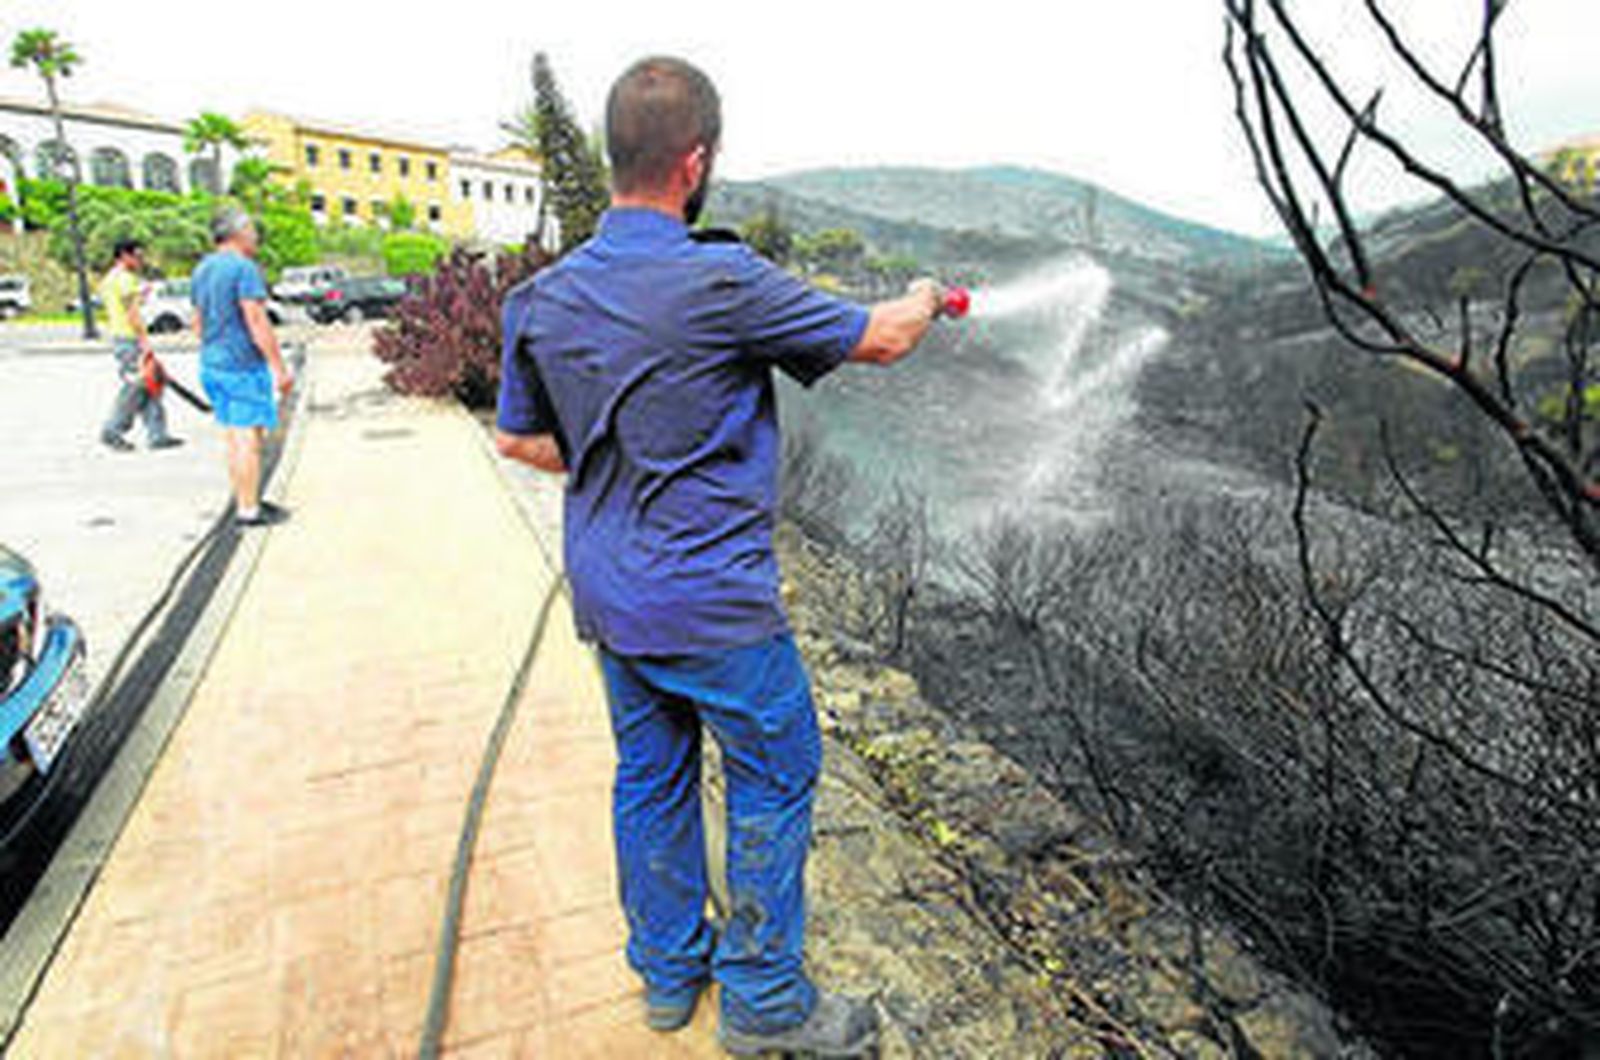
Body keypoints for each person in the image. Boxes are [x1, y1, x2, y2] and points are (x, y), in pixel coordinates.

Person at [496, 56, 947, 1057]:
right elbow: (877, 341)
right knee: (777, 768)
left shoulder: (542, 297)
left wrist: (616, 458)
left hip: (610, 596)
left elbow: (518, 440)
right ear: (693, 163)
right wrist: (921, 295)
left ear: (618, 155)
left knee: (650, 773)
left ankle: (666, 974)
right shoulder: (720, 278)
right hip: (713, 606)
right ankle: (764, 1000)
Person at [190, 209, 294, 527]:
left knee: (235, 437)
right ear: (238, 233)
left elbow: (197, 322)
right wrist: (279, 367)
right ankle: (249, 510)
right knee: (249, 438)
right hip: (242, 366)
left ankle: (246, 500)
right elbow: (256, 320)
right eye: (251, 229)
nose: (255, 235)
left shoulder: (202, 269)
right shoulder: (243, 269)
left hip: (212, 364)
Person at [99, 238, 181, 452]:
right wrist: (144, 341)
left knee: (150, 386)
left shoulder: (111, 278)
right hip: (129, 338)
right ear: (123, 256)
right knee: (135, 387)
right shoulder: (126, 279)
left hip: (120, 335)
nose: (140, 260)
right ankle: (112, 430)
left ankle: (157, 434)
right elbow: (132, 313)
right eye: (136, 255)